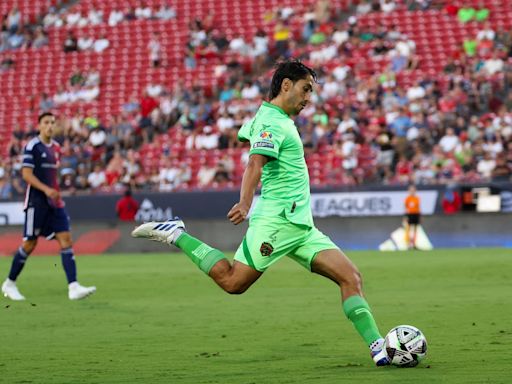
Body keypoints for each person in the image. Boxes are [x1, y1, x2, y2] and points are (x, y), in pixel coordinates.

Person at [131, 60, 389, 366]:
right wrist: (244, 202)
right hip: (276, 222)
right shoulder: (272, 122)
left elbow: (246, 134)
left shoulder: (272, 117)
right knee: (233, 282)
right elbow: (255, 162)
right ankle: (177, 234)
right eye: (306, 90)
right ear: (285, 85)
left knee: (351, 277)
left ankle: (379, 348)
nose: (309, 98)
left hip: (301, 227)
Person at [1, 112, 96, 301]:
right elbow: (27, 175)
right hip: (36, 203)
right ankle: (10, 283)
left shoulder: (57, 148)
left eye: (53, 122)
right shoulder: (33, 146)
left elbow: (52, 177)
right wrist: (46, 190)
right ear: (39, 126)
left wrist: (55, 192)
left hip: (55, 202)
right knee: (30, 244)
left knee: (66, 239)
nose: (50, 126)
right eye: (46, 122)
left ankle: (73, 286)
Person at [404, 184, 421, 249]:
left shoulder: (417, 198)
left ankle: (414, 244)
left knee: (415, 229)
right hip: (410, 214)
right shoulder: (407, 199)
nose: (412, 191)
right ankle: (408, 244)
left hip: (416, 214)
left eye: (413, 190)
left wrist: (419, 216)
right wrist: (405, 216)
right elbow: (405, 207)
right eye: (411, 190)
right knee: (408, 229)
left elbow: (418, 207)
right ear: (409, 191)